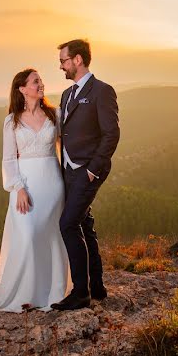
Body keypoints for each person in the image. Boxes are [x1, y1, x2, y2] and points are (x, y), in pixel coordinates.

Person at [0, 68, 71, 312]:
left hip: (52, 183)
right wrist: (18, 188)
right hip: (25, 185)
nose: (40, 84)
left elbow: (67, 148)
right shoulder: (11, 121)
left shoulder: (55, 114)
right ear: (22, 89)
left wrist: (76, 174)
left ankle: (50, 291)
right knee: (28, 234)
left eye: (40, 80)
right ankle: (25, 291)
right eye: (35, 82)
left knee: (50, 235)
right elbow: (8, 159)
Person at [51, 39, 120, 311]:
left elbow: (111, 134)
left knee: (68, 224)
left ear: (77, 60)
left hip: (88, 171)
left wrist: (92, 169)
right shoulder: (67, 95)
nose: (61, 66)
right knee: (84, 224)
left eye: (63, 61)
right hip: (68, 170)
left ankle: (80, 292)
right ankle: (97, 287)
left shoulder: (102, 91)